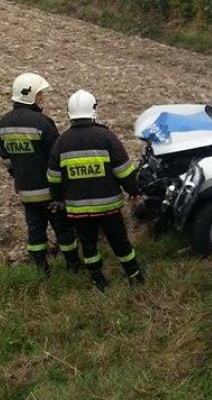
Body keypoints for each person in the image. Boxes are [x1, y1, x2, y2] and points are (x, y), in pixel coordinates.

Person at [47, 90, 146, 291]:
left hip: (78, 210)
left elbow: (53, 177)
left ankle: (98, 281)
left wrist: (59, 199)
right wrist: (134, 191)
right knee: (119, 242)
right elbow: (124, 171)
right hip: (109, 206)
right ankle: (134, 276)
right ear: (94, 111)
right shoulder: (106, 136)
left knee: (88, 245)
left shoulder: (61, 142)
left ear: (69, 113)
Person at [0, 73, 81, 274]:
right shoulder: (42, 122)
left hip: (26, 191)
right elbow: (57, 155)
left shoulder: (3, 124)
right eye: (40, 95)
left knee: (35, 230)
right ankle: (73, 267)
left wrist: (18, 175)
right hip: (50, 191)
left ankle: (41, 269)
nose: (42, 98)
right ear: (31, 96)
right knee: (64, 230)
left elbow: (6, 157)